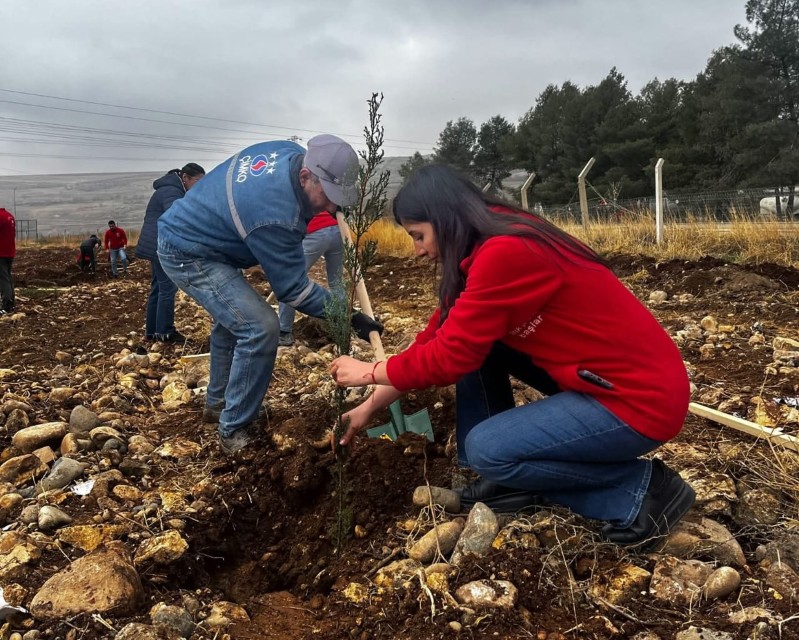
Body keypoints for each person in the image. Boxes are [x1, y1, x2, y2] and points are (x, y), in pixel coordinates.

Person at [329, 164, 695, 549]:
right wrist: (368, 407)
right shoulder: (484, 243)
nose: (417, 250)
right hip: (603, 379)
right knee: (480, 344)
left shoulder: (507, 251)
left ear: (444, 219)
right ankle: (505, 481)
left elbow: (448, 359)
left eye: (418, 235)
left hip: (640, 401)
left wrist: (368, 371)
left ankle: (640, 492)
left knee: (488, 449)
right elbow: (439, 340)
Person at [157, 134, 382, 454]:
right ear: (305, 177)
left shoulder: (292, 153)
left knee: (233, 320)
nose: (333, 207)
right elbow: (292, 289)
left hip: (208, 238)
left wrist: (326, 201)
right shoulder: (276, 215)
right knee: (259, 326)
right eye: (329, 196)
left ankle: (219, 402)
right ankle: (234, 428)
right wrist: (349, 316)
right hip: (188, 250)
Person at [137, 163, 206, 343]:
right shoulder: (171, 191)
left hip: (154, 244)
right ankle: (165, 332)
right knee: (167, 288)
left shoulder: (171, 189)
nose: (200, 186)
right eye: (198, 181)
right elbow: (178, 217)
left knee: (158, 288)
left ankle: (152, 332)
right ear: (185, 178)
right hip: (160, 246)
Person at [278, 210, 344, 346]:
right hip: (337, 229)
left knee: (291, 281)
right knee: (336, 282)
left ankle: (284, 332)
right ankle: (344, 326)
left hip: (315, 231)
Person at [0, 207, 15, 315]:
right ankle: (11, 303)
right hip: (10, 252)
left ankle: (7, 305)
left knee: (3, 279)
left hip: (1, 253)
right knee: (8, 278)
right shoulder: (9, 216)